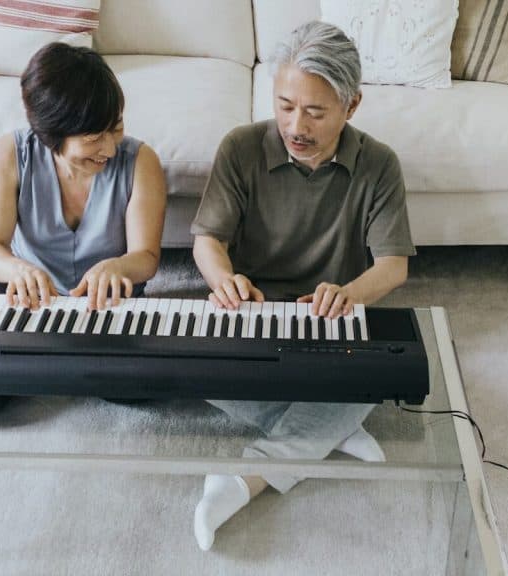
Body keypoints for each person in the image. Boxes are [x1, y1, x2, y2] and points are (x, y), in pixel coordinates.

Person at [189, 21, 416, 550]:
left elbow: (393, 265)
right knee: (191, 368)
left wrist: (352, 293)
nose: (295, 124)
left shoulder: (379, 164)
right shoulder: (241, 147)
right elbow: (206, 241)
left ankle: (244, 480)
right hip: (252, 316)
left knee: (383, 371)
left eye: (315, 111)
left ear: (351, 106)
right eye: (285, 104)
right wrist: (224, 281)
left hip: (328, 322)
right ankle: (332, 429)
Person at [0, 42, 167, 423]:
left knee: (153, 385)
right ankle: (62, 364)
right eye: (93, 138)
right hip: (29, 295)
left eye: (117, 128)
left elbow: (146, 258)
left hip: (109, 297)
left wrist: (119, 267)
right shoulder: (11, 154)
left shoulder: (141, 161)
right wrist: (16, 270)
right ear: (49, 134)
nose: (109, 148)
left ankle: (46, 365)